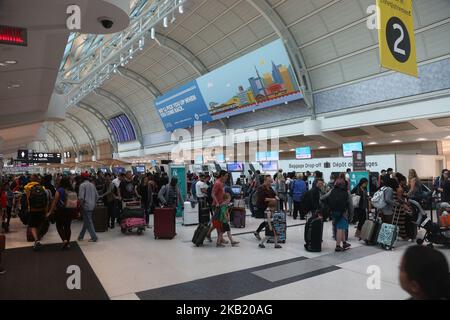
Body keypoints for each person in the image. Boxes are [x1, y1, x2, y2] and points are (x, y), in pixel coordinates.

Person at [322, 179, 352, 252]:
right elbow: (351, 205)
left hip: (334, 212)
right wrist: (351, 215)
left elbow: (322, 198)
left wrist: (328, 206)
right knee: (340, 229)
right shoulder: (347, 192)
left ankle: (344, 243)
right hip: (343, 213)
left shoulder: (332, 190)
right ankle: (338, 246)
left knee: (342, 227)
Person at [47, 177, 76, 250]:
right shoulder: (72, 190)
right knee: (67, 227)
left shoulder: (59, 190)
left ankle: (64, 240)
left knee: (59, 226)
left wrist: (50, 211)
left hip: (61, 211)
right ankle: (68, 244)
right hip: (70, 210)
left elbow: (54, 202)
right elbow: (74, 202)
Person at [24, 175, 49, 251]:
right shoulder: (43, 188)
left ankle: (36, 240)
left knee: (32, 225)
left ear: (31, 179)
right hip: (41, 209)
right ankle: (38, 237)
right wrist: (46, 210)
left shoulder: (27, 187)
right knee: (40, 224)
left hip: (32, 209)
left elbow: (25, 191)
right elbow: (46, 200)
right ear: (38, 180)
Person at [207, 170, 229, 243]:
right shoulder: (217, 183)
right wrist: (217, 203)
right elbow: (212, 194)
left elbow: (220, 194)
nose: (227, 177)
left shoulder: (221, 183)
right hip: (217, 206)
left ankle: (217, 237)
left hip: (221, 204)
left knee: (218, 222)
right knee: (217, 222)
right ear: (222, 176)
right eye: (226, 176)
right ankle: (211, 234)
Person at [253, 175, 278, 240]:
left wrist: (276, 197)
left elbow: (274, 194)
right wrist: (272, 199)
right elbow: (262, 199)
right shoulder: (261, 188)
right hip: (262, 207)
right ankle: (266, 233)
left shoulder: (269, 188)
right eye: (269, 181)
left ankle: (259, 232)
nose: (270, 182)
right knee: (267, 221)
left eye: (270, 181)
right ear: (265, 181)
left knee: (267, 220)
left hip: (269, 207)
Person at [77, 172, 99, 242]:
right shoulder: (92, 185)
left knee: (88, 222)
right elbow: (97, 196)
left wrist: (79, 206)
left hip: (85, 206)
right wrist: (94, 203)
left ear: (82, 178)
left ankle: (94, 237)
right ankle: (81, 236)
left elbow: (81, 198)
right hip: (92, 205)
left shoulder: (82, 185)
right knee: (87, 221)